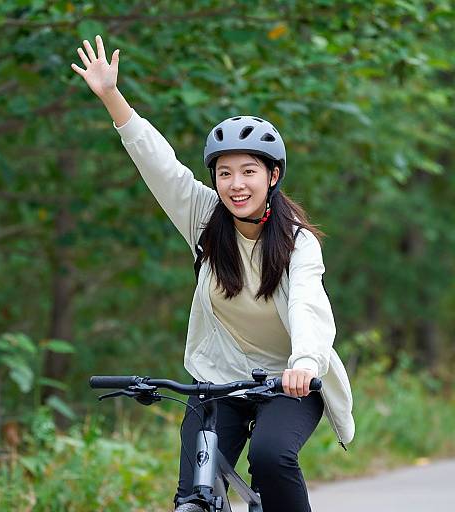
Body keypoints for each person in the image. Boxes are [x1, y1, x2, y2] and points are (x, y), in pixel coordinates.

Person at [72, 35, 355, 512]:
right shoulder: (205, 220)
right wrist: (111, 97)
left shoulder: (297, 241)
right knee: (194, 492)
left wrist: (305, 363)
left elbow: (308, 304)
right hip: (218, 380)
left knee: (270, 457)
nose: (236, 184)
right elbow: (159, 165)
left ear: (273, 175)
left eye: (249, 171)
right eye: (225, 173)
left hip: (289, 381)